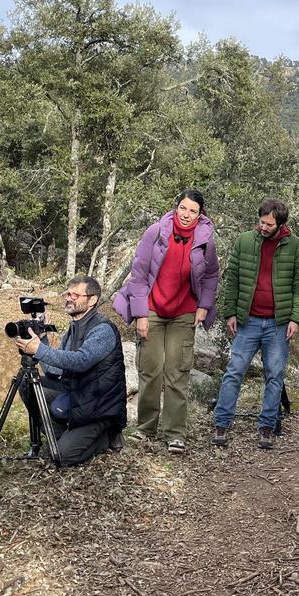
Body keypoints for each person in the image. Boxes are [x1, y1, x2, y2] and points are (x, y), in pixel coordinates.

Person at [113, 190, 219, 454]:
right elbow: (138, 274)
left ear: (200, 214)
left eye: (193, 211)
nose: (186, 214)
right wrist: (139, 314)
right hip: (152, 309)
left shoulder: (205, 240)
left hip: (184, 313)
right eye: (183, 208)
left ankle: (175, 433)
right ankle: (146, 430)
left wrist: (204, 306)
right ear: (176, 208)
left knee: (177, 373)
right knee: (150, 371)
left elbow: (211, 275)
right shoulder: (156, 232)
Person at [212, 198, 299, 449]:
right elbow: (232, 279)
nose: (263, 227)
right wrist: (230, 313)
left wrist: (295, 319)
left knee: (274, 375)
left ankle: (267, 426)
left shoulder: (295, 246)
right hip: (248, 321)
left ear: (280, 224)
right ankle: (221, 423)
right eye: (261, 222)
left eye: (269, 224)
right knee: (234, 371)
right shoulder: (245, 241)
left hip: (278, 324)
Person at [14, 275, 127, 467]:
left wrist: (39, 350)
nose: (69, 298)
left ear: (92, 300)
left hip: (98, 407)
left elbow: (81, 361)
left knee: (60, 456)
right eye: (68, 293)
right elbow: (56, 369)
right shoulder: (74, 328)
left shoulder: (103, 330)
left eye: (75, 295)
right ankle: (61, 435)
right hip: (77, 394)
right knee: (26, 382)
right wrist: (41, 340)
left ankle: (106, 437)